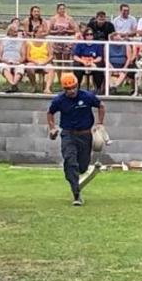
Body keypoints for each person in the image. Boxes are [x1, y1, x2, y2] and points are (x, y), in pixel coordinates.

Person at [46, 72, 105, 206]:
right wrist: (52, 127)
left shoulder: (87, 96)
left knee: (82, 166)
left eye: (74, 87)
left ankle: (73, 174)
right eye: (68, 89)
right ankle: (76, 194)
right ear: (64, 89)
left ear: (77, 86)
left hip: (85, 135)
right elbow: (50, 113)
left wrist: (100, 123)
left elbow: (101, 105)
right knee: (70, 160)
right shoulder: (59, 100)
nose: (72, 91)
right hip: (68, 134)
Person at [0, 21, 27, 93]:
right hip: (6, 61)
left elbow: (23, 56)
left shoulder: (21, 41)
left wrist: (19, 62)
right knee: (4, 67)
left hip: (17, 61)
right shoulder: (3, 40)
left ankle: (13, 84)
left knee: (20, 67)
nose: (16, 33)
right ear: (9, 31)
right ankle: (13, 84)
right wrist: (5, 61)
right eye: (14, 31)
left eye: (17, 31)